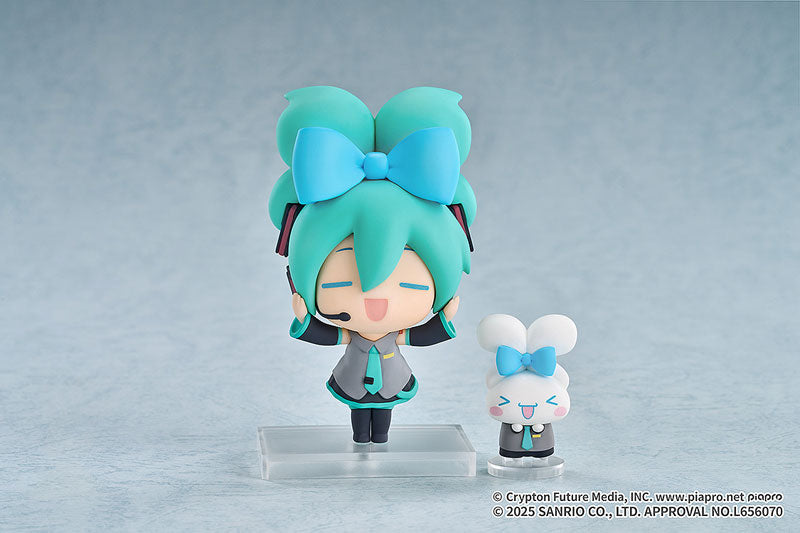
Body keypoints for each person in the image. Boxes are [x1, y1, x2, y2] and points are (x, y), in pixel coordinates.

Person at [268, 86, 476, 443]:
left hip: (392, 382)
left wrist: (445, 319)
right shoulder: (352, 334)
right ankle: (360, 439)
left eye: (410, 284)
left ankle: (379, 438)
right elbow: (326, 336)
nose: (375, 299)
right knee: (358, 418)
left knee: (383, 420)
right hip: (352, 383)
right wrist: (303, 319)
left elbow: (423, 336)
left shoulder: (396, 334)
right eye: (340, 282)